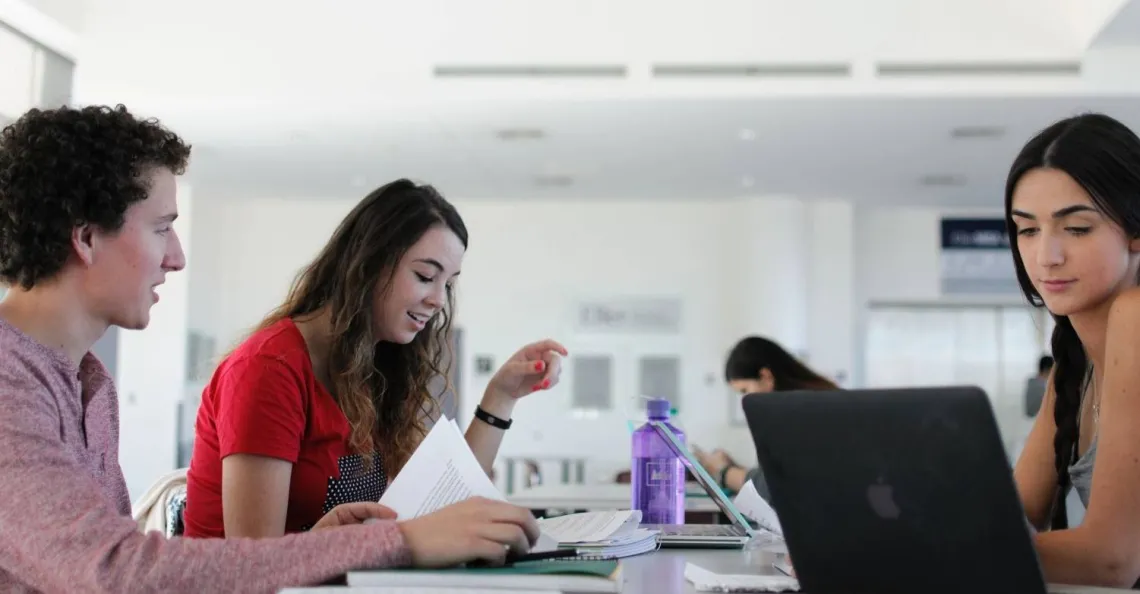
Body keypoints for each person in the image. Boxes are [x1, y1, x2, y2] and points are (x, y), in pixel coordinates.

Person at [0, 104, 542, 593]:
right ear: (87, 237)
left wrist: (329, 542)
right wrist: (402, 541)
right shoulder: (9, 380)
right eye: (162, 228)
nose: (177, 258)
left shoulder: (86, 382)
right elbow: (115, 571)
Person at [183, 178, 567, 538]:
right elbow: (253, 567)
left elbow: (443, 501)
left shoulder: (374, 369)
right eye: (424, 275)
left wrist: (501, 396)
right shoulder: (268, 370)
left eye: (447, 284)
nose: (437, 300)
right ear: (368, 264)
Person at [1009, 113, 1140, 588]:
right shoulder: (1075, 356)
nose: (1046, 256)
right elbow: (1013, 515)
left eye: (1077, 229)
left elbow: (1111, 560)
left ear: (1135, 230)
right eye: (1027, 230)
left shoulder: (1137, 314)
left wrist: (898, 553)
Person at [694, 335, 839, 496]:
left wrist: (723, 472)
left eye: (745, 391)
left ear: (765, 377)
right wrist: (733, 468)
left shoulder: (796, 413)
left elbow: (774, 487)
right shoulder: (819, 397)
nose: (745, 401)